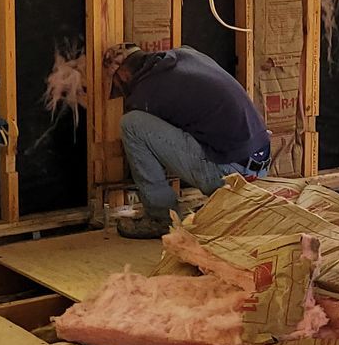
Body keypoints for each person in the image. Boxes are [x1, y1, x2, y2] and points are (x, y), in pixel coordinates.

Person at [104, 43, 270, 238]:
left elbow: (152, 140)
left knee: (131, 124)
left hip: (231, 174)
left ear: (123, 75)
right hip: (261, 165)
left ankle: (161, 218)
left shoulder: (144, 94)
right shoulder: (186, 55)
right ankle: (224, 200)